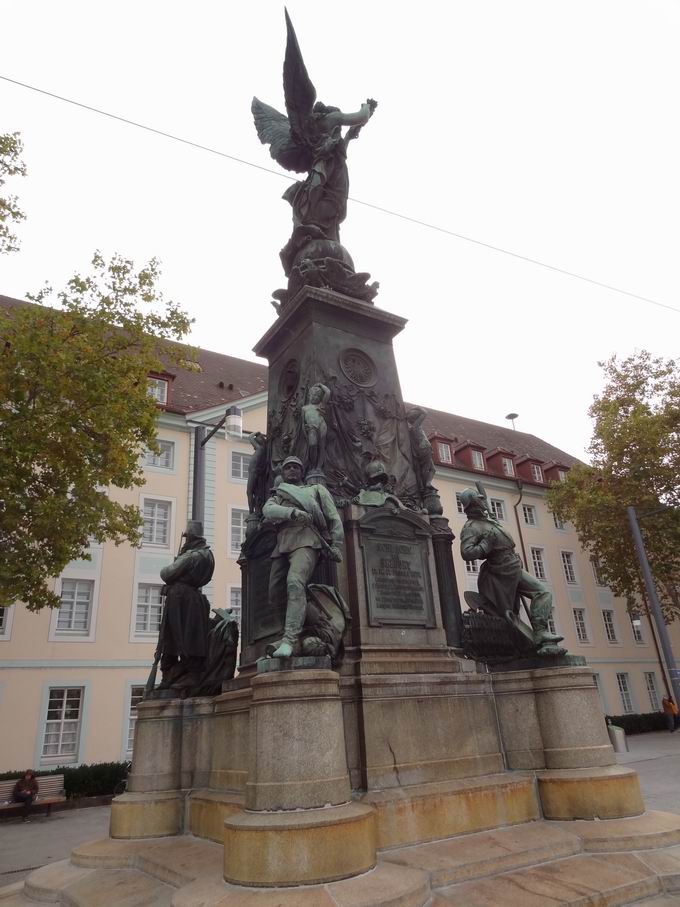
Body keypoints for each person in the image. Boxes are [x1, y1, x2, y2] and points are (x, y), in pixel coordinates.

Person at [459, 484, 563, 655]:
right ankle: (529, 641)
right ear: (473, 503)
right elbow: (466, 553)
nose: (483, 500)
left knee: (542, 593)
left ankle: (540, 633)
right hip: (499, 571)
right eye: (479, 498)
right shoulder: (471, 526)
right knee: (516, 610)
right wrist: (486, 544)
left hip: (512, 564)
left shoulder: (489, 521)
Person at [263, 456, 343, 658]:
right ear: (283, 472)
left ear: (302, 471)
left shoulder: (315, 490)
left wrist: (336, 543)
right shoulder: (279, 494)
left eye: (295, 467)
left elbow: (334, 518)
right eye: (287, 467)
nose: (291, 470)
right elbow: (268, 510)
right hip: (282, 544)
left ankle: (289, 641)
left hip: (307, 540)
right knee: (274, 593)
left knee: (294, 582)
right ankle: (301, 630)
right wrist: (292, 512)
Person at [156, 520, 215, 691]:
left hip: (180, 599)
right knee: (191, 637)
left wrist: (179, 559)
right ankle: (181, 675)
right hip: (194, 599)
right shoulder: (208, 556)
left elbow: (166, 573)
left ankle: (170, 676)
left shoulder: (192, 555)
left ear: (190, 537)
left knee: (173, 637)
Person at [301, 383, 330, 472]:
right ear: (309, 395)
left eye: (318, 396)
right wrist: (305, 432)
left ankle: (319, 467)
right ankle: (313, 466)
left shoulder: (320, 406)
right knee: (312, 445)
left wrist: (320, 385)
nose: (315, 397)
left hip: (321, 425)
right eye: (313, 395)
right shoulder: (304, 408)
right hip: (311, 428)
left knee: (322, 446)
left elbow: (328, 392)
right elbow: (303, 422)